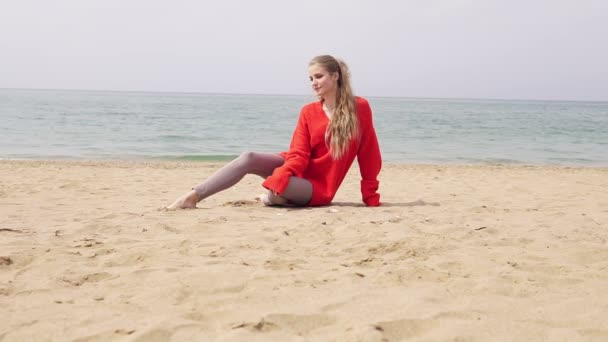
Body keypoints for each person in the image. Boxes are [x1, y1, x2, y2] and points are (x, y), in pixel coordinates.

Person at [165, 55, 382, 209]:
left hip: (317, 186)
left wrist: (369, 195)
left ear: (335, 76)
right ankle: (192, 197)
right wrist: (282, 173)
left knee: (277, 192)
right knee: (248, 157)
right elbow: (298, 153)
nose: (314, 83)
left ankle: (273, 198)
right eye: (311, 79)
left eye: (318, 76)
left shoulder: (359, 107)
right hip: (294, 166)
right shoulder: (308, 111)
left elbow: (369, 153)